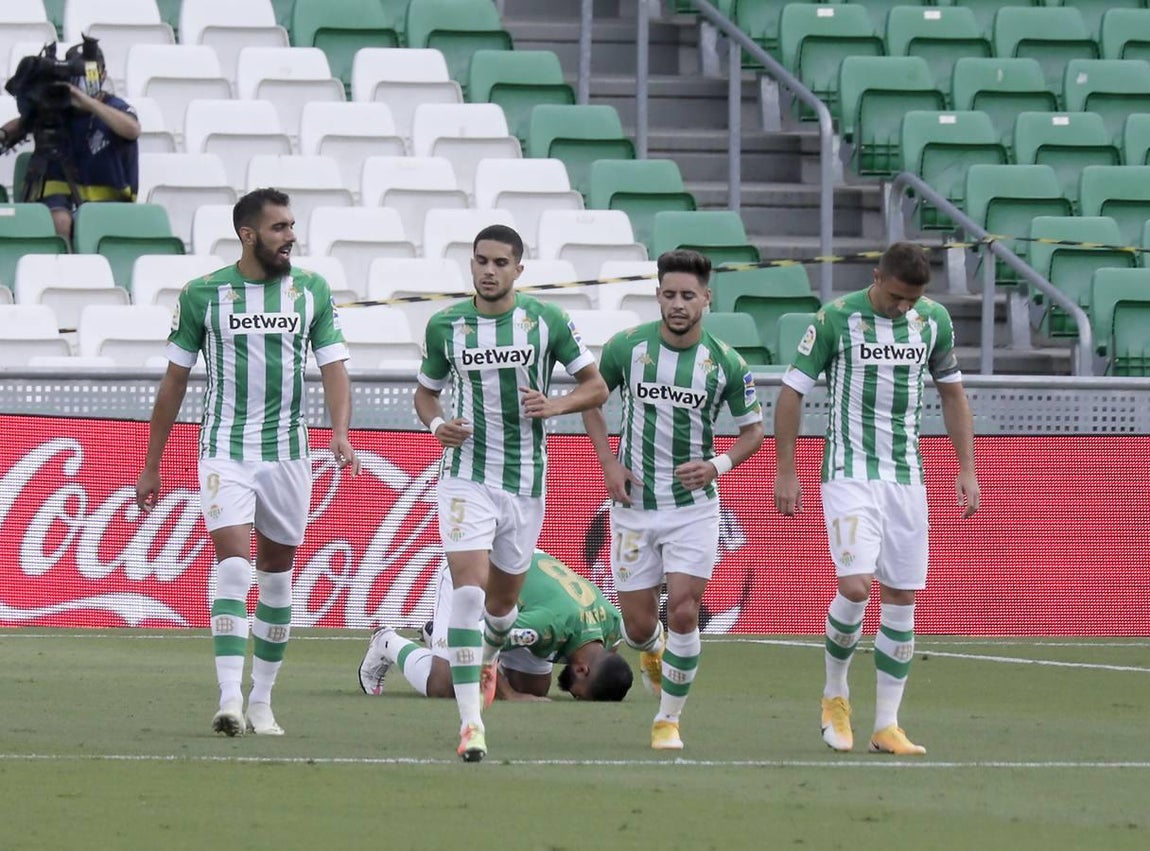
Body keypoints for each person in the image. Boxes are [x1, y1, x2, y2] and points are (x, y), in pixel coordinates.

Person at [135, 187, 359, 738]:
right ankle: (230, 697)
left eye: (291, 226)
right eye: (280, 227)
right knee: (234, 565)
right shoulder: (204, 295)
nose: (291, 237)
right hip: (225, 451)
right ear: (248, 234)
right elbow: (174, 381)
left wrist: (341, 433)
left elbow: (333, 367)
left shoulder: (311, 291)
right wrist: (152, 462)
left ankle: (262, 701)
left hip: (288, 453)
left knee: (277, 578)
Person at [773, 241, 980, 756]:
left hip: (907, 478)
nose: (903, 307)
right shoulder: (835, 319)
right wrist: (786, 469)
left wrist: (967, 468)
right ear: (876, 277)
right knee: (856, 584)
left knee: (903, 596)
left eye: (912, 299)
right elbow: (791, 392)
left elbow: (953, 394)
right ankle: (835, 695)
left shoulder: (933, 322)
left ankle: (887, 724)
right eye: (895, 297)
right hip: (849, 473)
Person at [414, 223, 609, 762]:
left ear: (518, 270)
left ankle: (493, 652)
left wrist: (556, 405)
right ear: (472, 265)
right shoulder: (446, 326)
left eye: (501, 262)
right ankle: (471, 724)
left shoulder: (545, 322)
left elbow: (596, 386)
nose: (489, 270)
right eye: (481, 261)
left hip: (524, 485)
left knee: (500, 611)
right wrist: (436, 427)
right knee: (469, 593)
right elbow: (425, 396)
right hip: (464, 477)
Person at [581, 248, 765, 751]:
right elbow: (591, 403)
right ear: (657, 295)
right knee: (640, 627)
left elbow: (753, 432)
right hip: (635, 508)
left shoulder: (726, 362)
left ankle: (668, 720)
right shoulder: (627, 348)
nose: (677, 304)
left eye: (688, 295)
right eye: (668, 294)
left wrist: (718, 465)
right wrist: (609, 464)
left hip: (694, 508)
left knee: (684, 610)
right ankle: (650, 649)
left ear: (707, 298)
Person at [358, 551, 633, 703]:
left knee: (535, 691)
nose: (573, 695)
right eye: (579, 695)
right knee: (444, 685)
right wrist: (508, 694)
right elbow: (478, 641)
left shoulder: (613, 625)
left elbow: (614, 651)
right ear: (582, 669)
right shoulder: (545, 625)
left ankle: (440, 640)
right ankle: (386, 641)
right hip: (475, 577)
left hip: (522, 599)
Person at [0, 39, 139, 244]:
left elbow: (132, 130)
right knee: (60, 220)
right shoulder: (58, 106)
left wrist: (87, 102)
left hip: (109, 200)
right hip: (60, 194)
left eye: (89, 73)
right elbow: (22, 124)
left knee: (95, 226)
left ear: (103, 75)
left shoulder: (114, 107)